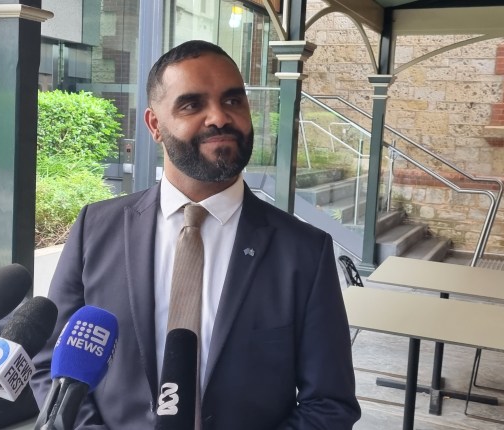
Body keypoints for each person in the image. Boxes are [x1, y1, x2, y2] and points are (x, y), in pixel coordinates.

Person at [31, 40, 361, 429]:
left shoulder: (304, 251)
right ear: (155, 125)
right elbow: (51, 362)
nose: (219, 117)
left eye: (234, 101)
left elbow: (329, 403)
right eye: (192, 105)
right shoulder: (96, 228)